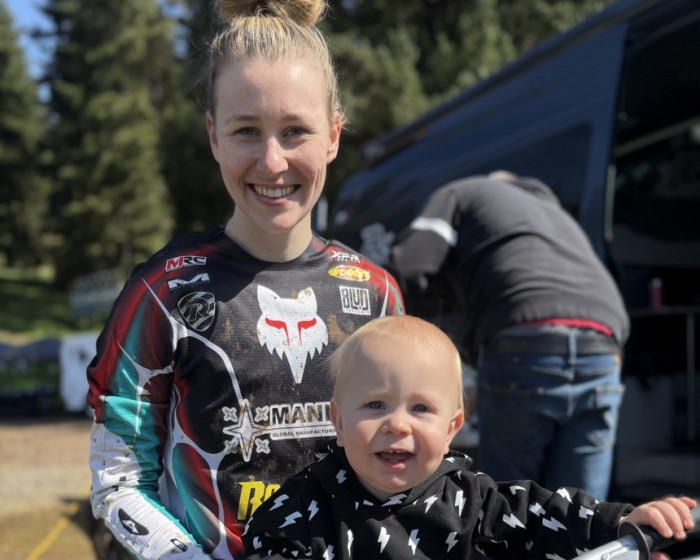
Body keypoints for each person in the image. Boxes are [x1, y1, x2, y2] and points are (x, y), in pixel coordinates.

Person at [86, 1, 404, 559]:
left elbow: (407, 462)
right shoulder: (162, 294)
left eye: (295, 131)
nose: (272, 161)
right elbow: (119, 481)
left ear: (333, 134)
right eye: (247, 131)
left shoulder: (377, 295)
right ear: (214, 136)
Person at [240, 315, 696, 560]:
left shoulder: (473, 499)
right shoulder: (302, 509)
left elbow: (550, 515)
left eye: (420, 409)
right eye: (375, 404)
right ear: (338, 422)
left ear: (451, 429)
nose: (397, 424)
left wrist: (621, 523)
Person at [389, 172, 629, 501]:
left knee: (509, 508)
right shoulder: (558, 217)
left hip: (525, 340)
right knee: (582, 510)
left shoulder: (463, 192)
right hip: (604, 344)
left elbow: (410, 262)